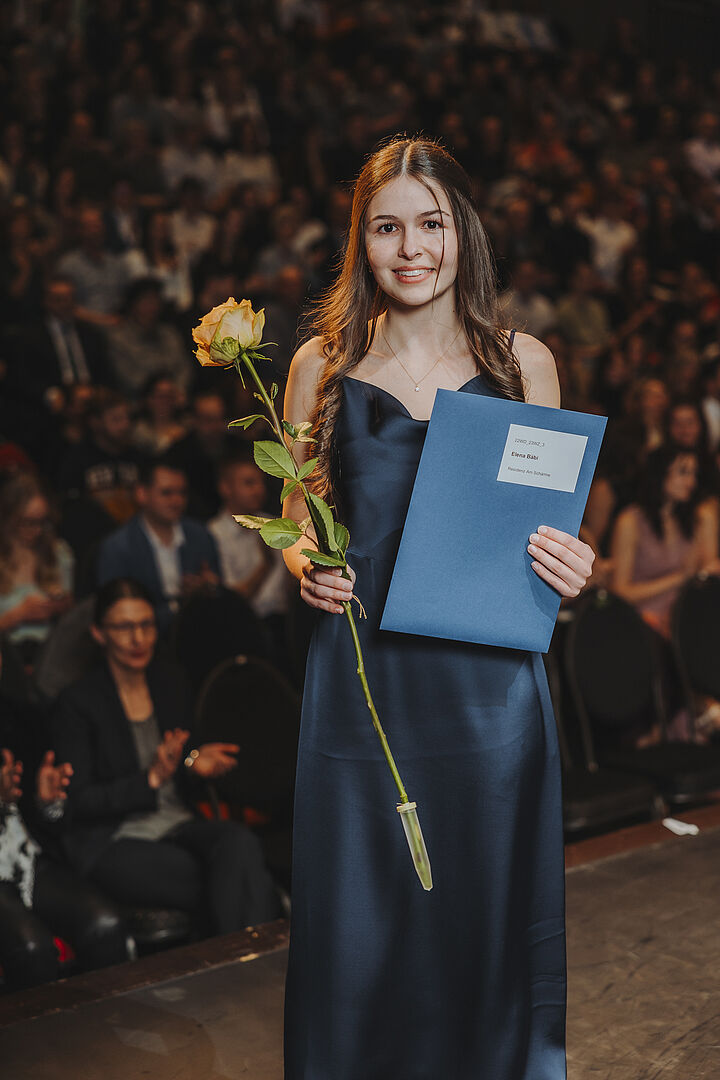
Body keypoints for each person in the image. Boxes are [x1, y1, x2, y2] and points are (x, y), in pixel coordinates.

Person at [279, 137, 595, 1079]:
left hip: (491, 698)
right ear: (361, 241)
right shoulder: (320, 365)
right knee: (362, 924)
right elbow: (296, 517)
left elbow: (550, 531)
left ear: (465, 232)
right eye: (387, 228)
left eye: (432, 224)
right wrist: (304, 564)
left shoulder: (523, 362)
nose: (411, 248)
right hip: (365, 687)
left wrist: (574, 562)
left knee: (487, 918)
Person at [51, 578, 282, 934]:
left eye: (146, 624)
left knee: (240, 843)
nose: (138, 638)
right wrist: (150, 779)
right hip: (114, 838)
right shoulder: (77, 703)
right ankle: (257, 951)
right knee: (232, 880)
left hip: (176, 824)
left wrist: (193, 761)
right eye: (124, 627)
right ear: (99, 633)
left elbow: (181, 757)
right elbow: (78, 801)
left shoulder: (169, 682)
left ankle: (244, 956)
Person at [96, 458, 221, 633]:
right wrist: (177, 606)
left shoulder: (200, 536)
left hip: (198, 630)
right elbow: (113, 611)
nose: (177, 501)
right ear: (141, 494)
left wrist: (209, 586)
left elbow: (219, 590)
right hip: (141, 634)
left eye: (182, 493)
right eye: (166, 493)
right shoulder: (118, 547)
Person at [0, 473, 74, 666]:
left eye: (43, 522)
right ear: (9, 518)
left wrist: (58, 606)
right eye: (28, 522)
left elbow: (72, 615)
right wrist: (19, 615)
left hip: (50, 658)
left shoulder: (58, 553)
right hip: (7, 659)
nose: (37, 530)